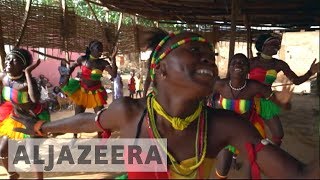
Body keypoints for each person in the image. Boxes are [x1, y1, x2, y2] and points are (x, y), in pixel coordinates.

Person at [13, 31, 319, 179]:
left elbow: (302, 175)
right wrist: (43, 127)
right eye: (194, 50)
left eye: (210, 55)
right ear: (160, 70)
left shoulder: (225, 126)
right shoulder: (131, 113)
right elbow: (88, 122)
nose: (207, 57)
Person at [214, 53, 292, 178]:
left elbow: (284, 106)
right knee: (222, 169)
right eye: (235, 62)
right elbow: (199, 96)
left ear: (248, 69)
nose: (238, 64)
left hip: (247, 130)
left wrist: (285, 102)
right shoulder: (219, 85)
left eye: (243, 63)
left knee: (250, 168)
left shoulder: (255, 87)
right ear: (229, 67)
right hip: (227, 131)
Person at [249, 33, 319, 146]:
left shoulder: (279, 64)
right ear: (262, 46)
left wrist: (310, 72)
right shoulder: (251, 62)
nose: (276, 47)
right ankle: (233, 159)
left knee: (278, 135)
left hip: (266, 101)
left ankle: (272, 158)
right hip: (249, 100)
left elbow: (296, 81)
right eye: (272, 44)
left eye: (277, 44)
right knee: (244, 131)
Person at [0, 48, 50, 179]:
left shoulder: (27, 83)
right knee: (2, 150)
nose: (8, 62)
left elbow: (34, 101)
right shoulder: (3, 78)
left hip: (32, 119)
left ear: (24, 66)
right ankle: (13, 174)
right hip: (15, 117)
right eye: (8, 59)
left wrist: (28, 73)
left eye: (14, 60)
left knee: (31, 154)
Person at [61, 40, 118, 138]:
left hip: (96, 93)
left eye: (101, 50)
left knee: (99, 117)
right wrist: (66, 77)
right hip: (82, 91)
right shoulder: (83, 59)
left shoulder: (103, 63)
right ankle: (74, 136)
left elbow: (114, 74)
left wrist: (113, 59)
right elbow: (72, 67)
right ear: (91, 49)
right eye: (98, 50)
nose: (101, 52)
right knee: (77, 116)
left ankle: (100, 139)